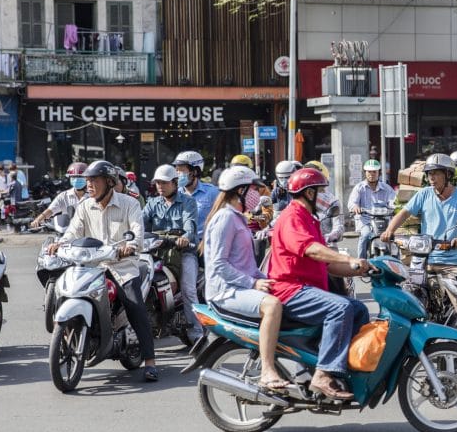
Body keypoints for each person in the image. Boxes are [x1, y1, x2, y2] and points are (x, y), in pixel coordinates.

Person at [48, 160, 159, 382]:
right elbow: (73, 232)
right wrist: (60, 243)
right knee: (61, 290)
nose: (88, 185)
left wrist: (131, 246)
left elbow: (137, 231)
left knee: (134, 305)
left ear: (109, 182)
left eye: (94, 181)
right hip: (92, 265)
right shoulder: (84, 206)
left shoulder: (130, 204)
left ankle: (150, 361)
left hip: (122, 266)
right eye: (87, 181)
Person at [267, 167, 371, 400]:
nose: (325, 196)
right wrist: (348, 258)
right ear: (309, 193)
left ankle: (345, 369)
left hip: (309, 290)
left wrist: (365, 267)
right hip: (291, 290)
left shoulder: (310, 220)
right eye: (320, 191)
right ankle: (323, 374)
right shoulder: (293, 217)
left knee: (358, 308)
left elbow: (328, 266)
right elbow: (312, 250)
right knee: (340, 307)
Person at [200, 165, 288, 390]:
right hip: (225, 291)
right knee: (272, 306)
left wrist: (265, 278)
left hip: (239, 287)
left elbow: (246, 265)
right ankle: (267, 370)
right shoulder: (225, 219)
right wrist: (254, 283)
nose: (256, 195)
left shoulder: (238, 217)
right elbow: (218, 264)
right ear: (240, 191)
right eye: (252, 190)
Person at [381, 153, 457, 322]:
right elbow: (404, 213)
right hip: (422, 259)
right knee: (409, 293)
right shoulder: (424, 194)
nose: (431, 177)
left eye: (436, 173)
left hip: (449, 260)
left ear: (448, 174)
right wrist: (389, 230)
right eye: (429, 174)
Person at [143, 164, 205, 347]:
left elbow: (190, 226)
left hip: (183, 253)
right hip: (155, 253)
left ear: (175, 182)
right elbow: (140, 223)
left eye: (164, 182)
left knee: (188, 289)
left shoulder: (188, 202)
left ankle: (197, 334)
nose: (160, 186)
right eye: (157, 183)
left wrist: (185, 238)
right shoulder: (152, 203)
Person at [348, 158, 396, 257]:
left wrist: (394, 207)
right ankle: (361, 262)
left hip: (384, 220)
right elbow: (352, 203)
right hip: (365, 221)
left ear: (379, 173)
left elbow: (393, 202)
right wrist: (356, 207)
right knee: (365, 235)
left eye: (374, 172)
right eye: (369, 172)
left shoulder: (387, 188)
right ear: (365, 173)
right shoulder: (359, 188)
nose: (372, 174)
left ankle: (395, 259)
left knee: (393, 237)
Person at [31, 162, 88, 229]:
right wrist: (38, 220)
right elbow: (50, 210)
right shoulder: (64, 196)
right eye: (74, 176)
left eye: (80, 176)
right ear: (70, 178)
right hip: (68, 233)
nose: (76, 179)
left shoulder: (93, 196)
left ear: (87, 178)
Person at [174, 150, 219, 232]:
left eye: (182, 170)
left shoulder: (213, 193)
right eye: (177, 170)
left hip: (203, 242)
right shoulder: (175, 194)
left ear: (195, 172)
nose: (178, 174)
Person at [303, 161, 344, 245]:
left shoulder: (332, 201)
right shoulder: (299, 198)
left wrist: (329, 236)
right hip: (303, 246)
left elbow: (339, 226)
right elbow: (285, 216)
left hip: (326, 247)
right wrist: (270, 228)